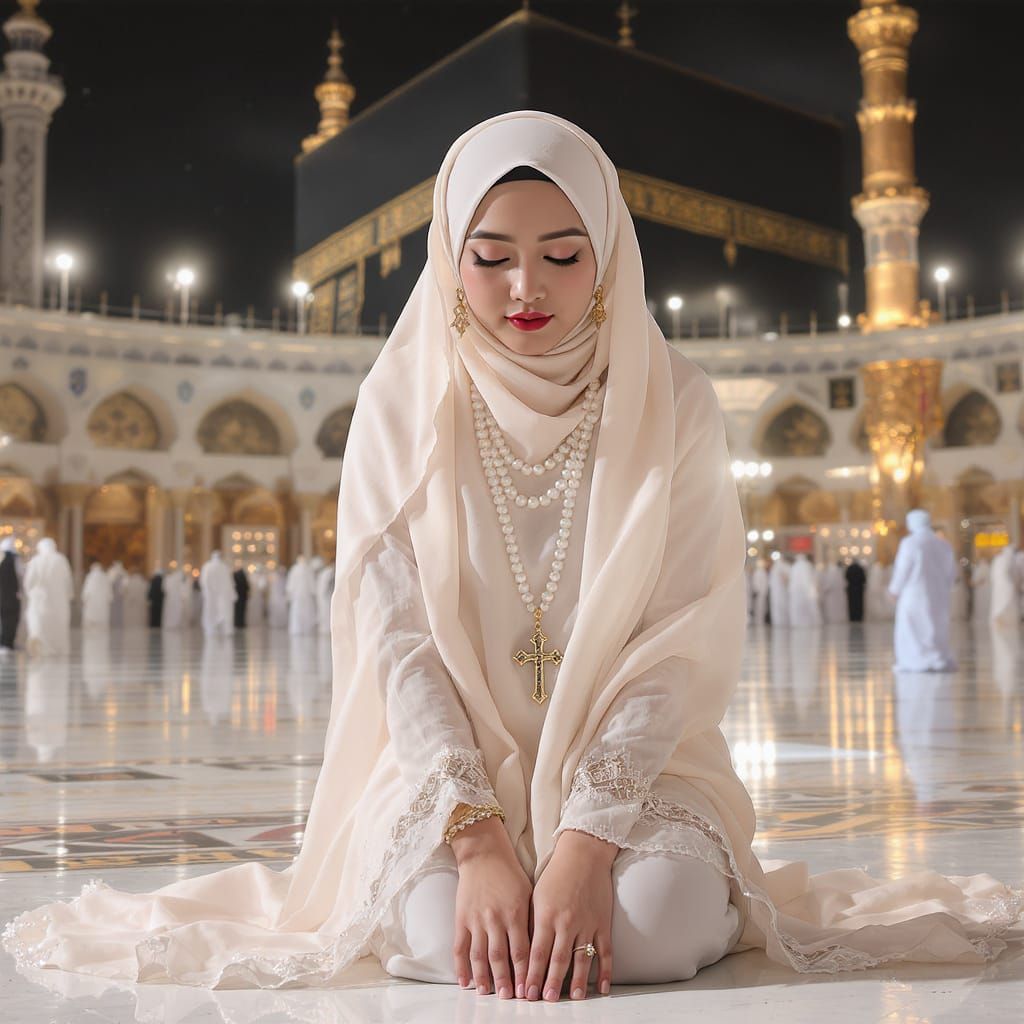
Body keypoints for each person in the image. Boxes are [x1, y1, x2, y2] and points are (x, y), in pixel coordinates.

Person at [5, 111, 1020, 1000]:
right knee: (449, 936)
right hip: (449, 773)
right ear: (449, 255)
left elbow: (674, 641)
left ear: (608, 255)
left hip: (640, 770)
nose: (524, 286)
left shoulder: (674, 401)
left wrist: (584, 839)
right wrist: (478, 832)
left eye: (562, 254)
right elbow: (397, 641)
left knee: (653, 932)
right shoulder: (404, 406)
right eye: (488, 256)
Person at [887, 509, 957, 672]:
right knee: (936, 625)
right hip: (939, 594)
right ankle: (937, 656)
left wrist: (894, 590)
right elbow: (952, 573)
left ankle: (917, 659)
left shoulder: (910, 543)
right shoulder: (943, 544)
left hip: (914, 593)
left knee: (913, 628)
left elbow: (903, 569)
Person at [22, 537, 74, 657]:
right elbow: (68, 580)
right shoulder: (61, 560)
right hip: (59, 600)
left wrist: (30, 594)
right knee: (58, 624)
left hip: (39, 599)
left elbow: (28, 582)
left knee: (39, 622)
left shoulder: (36, 560)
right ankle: (56, 649)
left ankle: (40, 643)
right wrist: (69, 595)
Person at [198, 551, 234, 636]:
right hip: (216, 595)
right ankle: (216, 629)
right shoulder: (223, 566)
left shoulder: (209, 566)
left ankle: (217, 629)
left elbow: (204, 581)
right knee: (219, 611)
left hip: (216, 595)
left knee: (216, 612)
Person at [989, 544, 1020, 630]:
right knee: (1002, 601)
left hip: (1002, 584)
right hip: (1002, 584)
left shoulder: (1000, 559)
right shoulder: (1001, 560)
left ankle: (1002, 618)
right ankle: (999, 618)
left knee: (1005, 600)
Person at [787, 553, 821, 627]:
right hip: (805, 592)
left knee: (799, 610)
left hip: (798, 593)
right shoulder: (807, 565)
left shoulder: (795, 566)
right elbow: (809, 580)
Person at [286, 555, 317, 635]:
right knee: (299, 610)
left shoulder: (307, 569)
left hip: (303, 594)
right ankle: (299, 628)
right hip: (299, 594)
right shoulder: (296, 569)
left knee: (304, 610)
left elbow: (311, 582)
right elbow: (291, 582)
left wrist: (313, 592)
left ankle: (304, 628)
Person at [0, 536, 21, 653]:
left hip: (3, 596)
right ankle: (7, 643)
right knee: (11, 620)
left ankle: (5, 642)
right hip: (12, 596)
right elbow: (20, 575)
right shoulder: (14, 559)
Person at [81, 562, 113, 629]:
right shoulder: (104, 576)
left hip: (92, 603)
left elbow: (87, 590)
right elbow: (109, 590)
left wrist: (84, 599)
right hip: (102, 604)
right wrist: (110, 598)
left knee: (92, 621)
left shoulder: (90, 577)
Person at [767, 556, 789, 627]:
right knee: (781, 606)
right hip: (780, 591)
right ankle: (782, 622)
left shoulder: (775, 568)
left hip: (777, 592)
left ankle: (778, 622)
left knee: (777, 607)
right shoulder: (781, 567)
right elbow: (785, 579)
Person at [316, 560, 335, 636]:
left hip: (326, 595)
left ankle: (327, 628)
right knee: (325, 612)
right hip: (325, 596)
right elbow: (325, 585)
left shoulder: (327, 572)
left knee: (326, 612)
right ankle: (325, 628)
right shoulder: (328, 572)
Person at [749, 559, 768, 626]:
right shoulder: (759, 572)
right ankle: (758, 622)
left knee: (761, 608)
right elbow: (756, 583)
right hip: (759, 593)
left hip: (761, 594)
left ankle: (760, 622)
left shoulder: (761, 572)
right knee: (759, 608)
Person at [232, 564, 250, 630]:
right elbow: (247, 586)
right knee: (241, 610)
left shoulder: (234, 575)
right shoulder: (242, 575)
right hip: (242, 596)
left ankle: (237, 623)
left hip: (238, 596)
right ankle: (240, 623)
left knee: (237, 610)